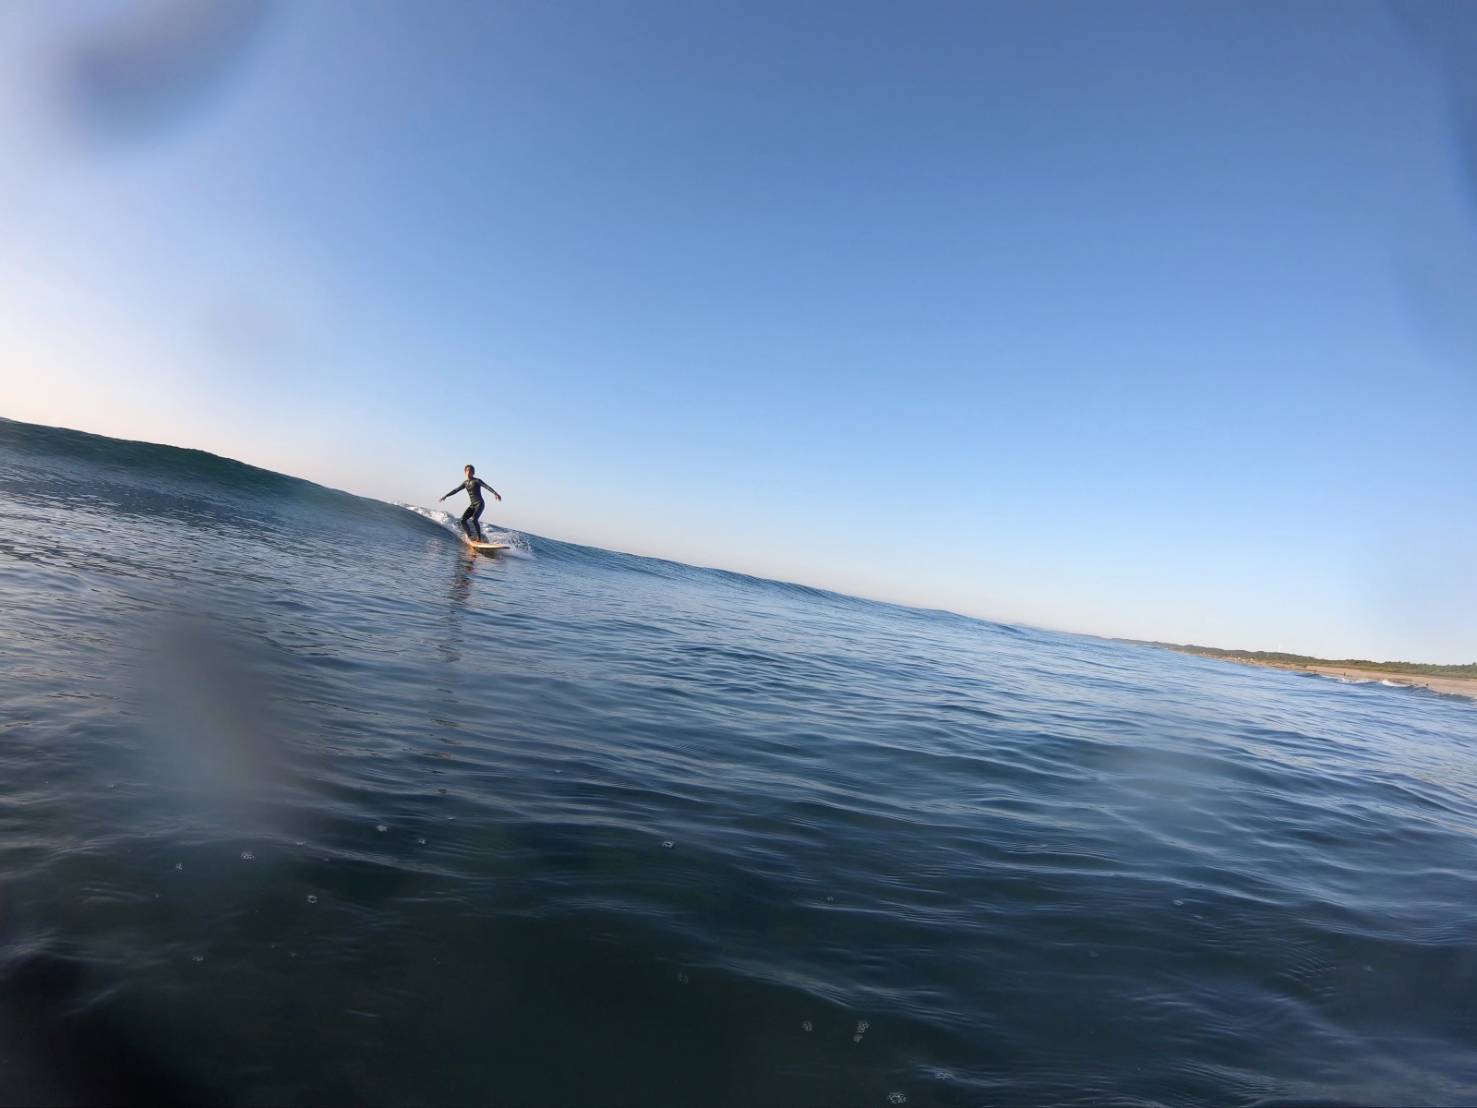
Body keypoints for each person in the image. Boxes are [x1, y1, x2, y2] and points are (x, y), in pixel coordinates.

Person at [439, 464, 501, 541]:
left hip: (480, 503)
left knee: (474, 519)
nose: (469, 472)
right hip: (472, 505)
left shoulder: (477, 481)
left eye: (471, 470)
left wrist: (495, 493)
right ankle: (470, 536)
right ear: (465, 472)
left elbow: (486, 486)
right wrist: (446, 495)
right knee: (463, 520)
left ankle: (479, 538)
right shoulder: (465, 483)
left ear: (473, 472)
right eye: (467, 470)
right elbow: (456, 490)